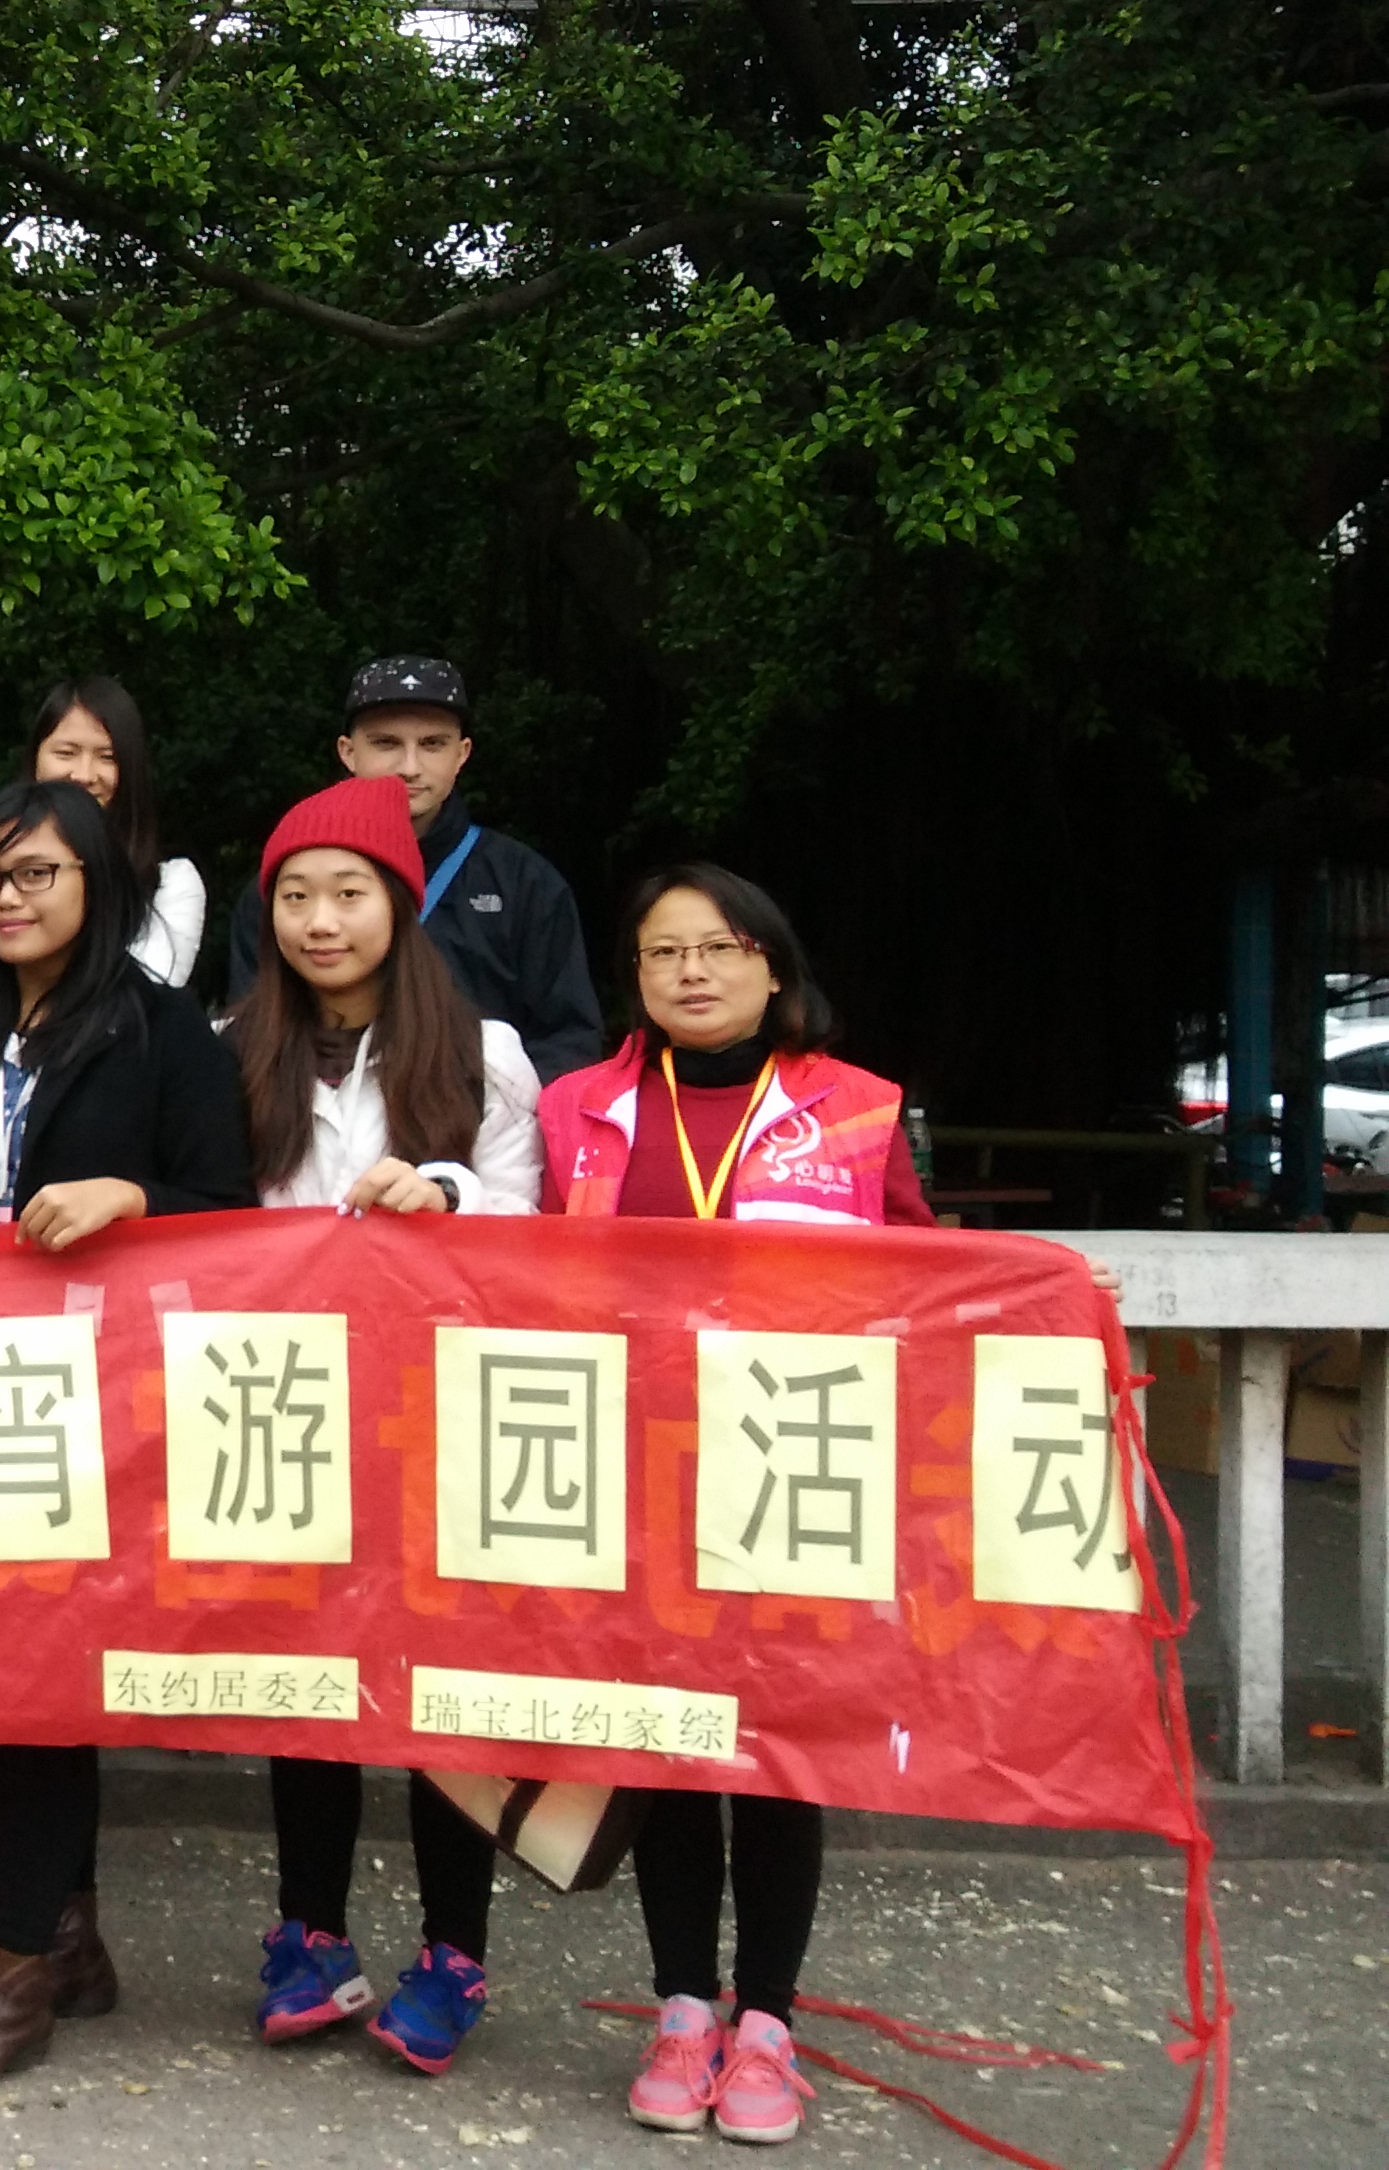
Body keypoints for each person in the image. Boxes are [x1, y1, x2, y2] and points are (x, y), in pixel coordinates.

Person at [0, 780, 252, 2094]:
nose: (9, 899)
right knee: (27, 1660)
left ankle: (13, 1968)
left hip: (115, 1396)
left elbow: (231, 1208)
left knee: (37, 1667)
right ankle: (69, 1934)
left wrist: (131, 1194)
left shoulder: (162, 1029)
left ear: (97, 885)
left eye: (38, 874)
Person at [546, 864, 918, 2147]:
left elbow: (928, 1273)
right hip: (633, 1470)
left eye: (717, 947)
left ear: (770, 964)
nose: (690, 971)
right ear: (634, 977)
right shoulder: (577, 1108)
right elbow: (512, 1278)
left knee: (773, 1749)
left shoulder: (854, 1109)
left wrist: (1051, 1288)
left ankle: (765, 2023)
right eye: (662, 952)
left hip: (791, 1467)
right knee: (667, 1745)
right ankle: (679, 2010)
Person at [212, 778, 539, 2074]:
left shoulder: (484, 1053)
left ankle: (453, 1952)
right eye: (294, 896)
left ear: (400, 906)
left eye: (348, 893)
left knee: (441, 1690)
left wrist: (445, 1189)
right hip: (287, 1407)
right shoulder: (231, 1045)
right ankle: (310, 1932)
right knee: (305, 1679)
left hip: (441, 1410)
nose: (319, 920)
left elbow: (535, 1228)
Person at [223, 657, 599, 1080]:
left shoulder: (523, 882)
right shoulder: (285, 889)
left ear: (462, 753)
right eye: (386, 743)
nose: (409, 767)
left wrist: (493, 1107)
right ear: (348, 752)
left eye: (432, 744)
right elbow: (252, 1031)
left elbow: (569, 1040)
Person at [0, 677, 205, 993]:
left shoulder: (171, 885)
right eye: (66, 753)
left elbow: (149, 998)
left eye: (107, 757)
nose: (84, 775)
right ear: (35, 758)